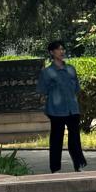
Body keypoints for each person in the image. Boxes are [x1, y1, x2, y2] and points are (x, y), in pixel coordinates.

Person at [36, 40, 87, 173]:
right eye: (58, 49)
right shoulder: (47, 72)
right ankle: (55, 168)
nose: (62, 51)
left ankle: (79, 164)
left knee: (75, 138)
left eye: (63, 49)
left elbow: (76, 88)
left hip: (72, 109)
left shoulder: (71, 69)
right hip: (56, 110)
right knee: (56, 139)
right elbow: (42, 92)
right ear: (52, 52)